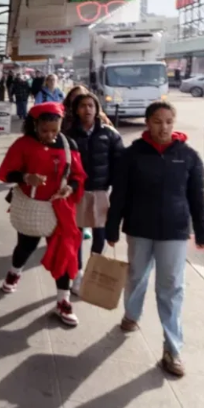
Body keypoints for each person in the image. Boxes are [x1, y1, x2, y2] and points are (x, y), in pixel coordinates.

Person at [106, 101, 204, 377]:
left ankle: (172, 349)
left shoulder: (188, 156)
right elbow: (119, 194)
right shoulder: (132, 155)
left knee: (172, 287)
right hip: (139, 228)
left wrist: (202, 230)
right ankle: (132, 314)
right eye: (157, 121)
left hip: (174, 231)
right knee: (136, 275)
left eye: (168, 121)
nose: (163, 127)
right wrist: (111, 226)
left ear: (173, 123)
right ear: (147, 122)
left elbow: (197, 197)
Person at [0, 102, 87, 326]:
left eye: (54, 130)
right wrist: (27, 177)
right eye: (44, 130)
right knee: (25, 247)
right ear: (34, 125)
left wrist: (70, 189)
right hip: (32, 207)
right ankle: (15, 271)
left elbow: (78, 176)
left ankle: (63, 301)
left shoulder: (69, 145)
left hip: (61, 209)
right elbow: (7, 173)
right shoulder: (23, 144)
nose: (49, 135)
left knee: (65, 253)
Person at [65, 94, 124, 294]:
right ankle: (78, 273)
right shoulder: (68, 134)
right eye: (83, 106)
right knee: (77, 235)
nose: (87, 110)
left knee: (100, 234)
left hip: (101, 192)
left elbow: (119, 164)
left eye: (91, 106)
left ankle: (93, 269)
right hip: (77, 192)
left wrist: (117, 190)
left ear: (97, 109)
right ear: (76, 110)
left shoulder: (109, 134)